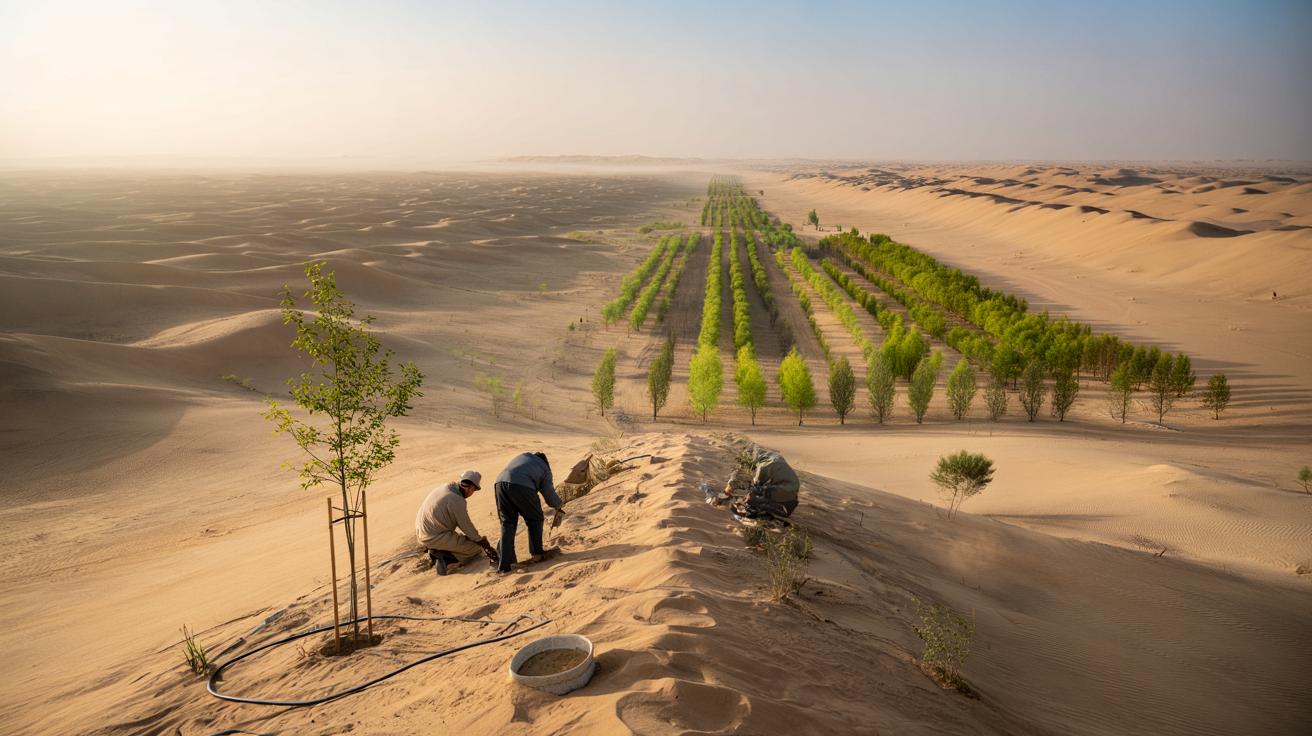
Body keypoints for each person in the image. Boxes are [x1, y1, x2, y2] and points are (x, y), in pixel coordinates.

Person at [415, 470, 498, 576]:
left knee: (465, 540)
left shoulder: (446, 487)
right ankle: (446, 560)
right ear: (470, 488)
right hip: (433, 537)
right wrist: (482, 543)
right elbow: (466, 526)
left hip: (422, 532)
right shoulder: (456, 500)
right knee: (474, 549)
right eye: (474, 490)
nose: (473, 493)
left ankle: (437, 549)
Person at [493, 452, 566, 573]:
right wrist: (558, 505)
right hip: (521, 484)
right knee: (535, 519)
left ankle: (505, 565)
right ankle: (537, 553)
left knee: (507, 523)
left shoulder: (523, 457)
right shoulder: (544, 468)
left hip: (499, 483)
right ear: (546, 462)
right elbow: (548, 493)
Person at [727, 449, 800, 519]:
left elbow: (756, 488)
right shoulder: (775, 458)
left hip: (782, 492)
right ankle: (780, 507)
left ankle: (751, 512)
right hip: (792, 494)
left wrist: (747, 499)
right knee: (763, 488)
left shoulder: (763, 467)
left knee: (756, 493)